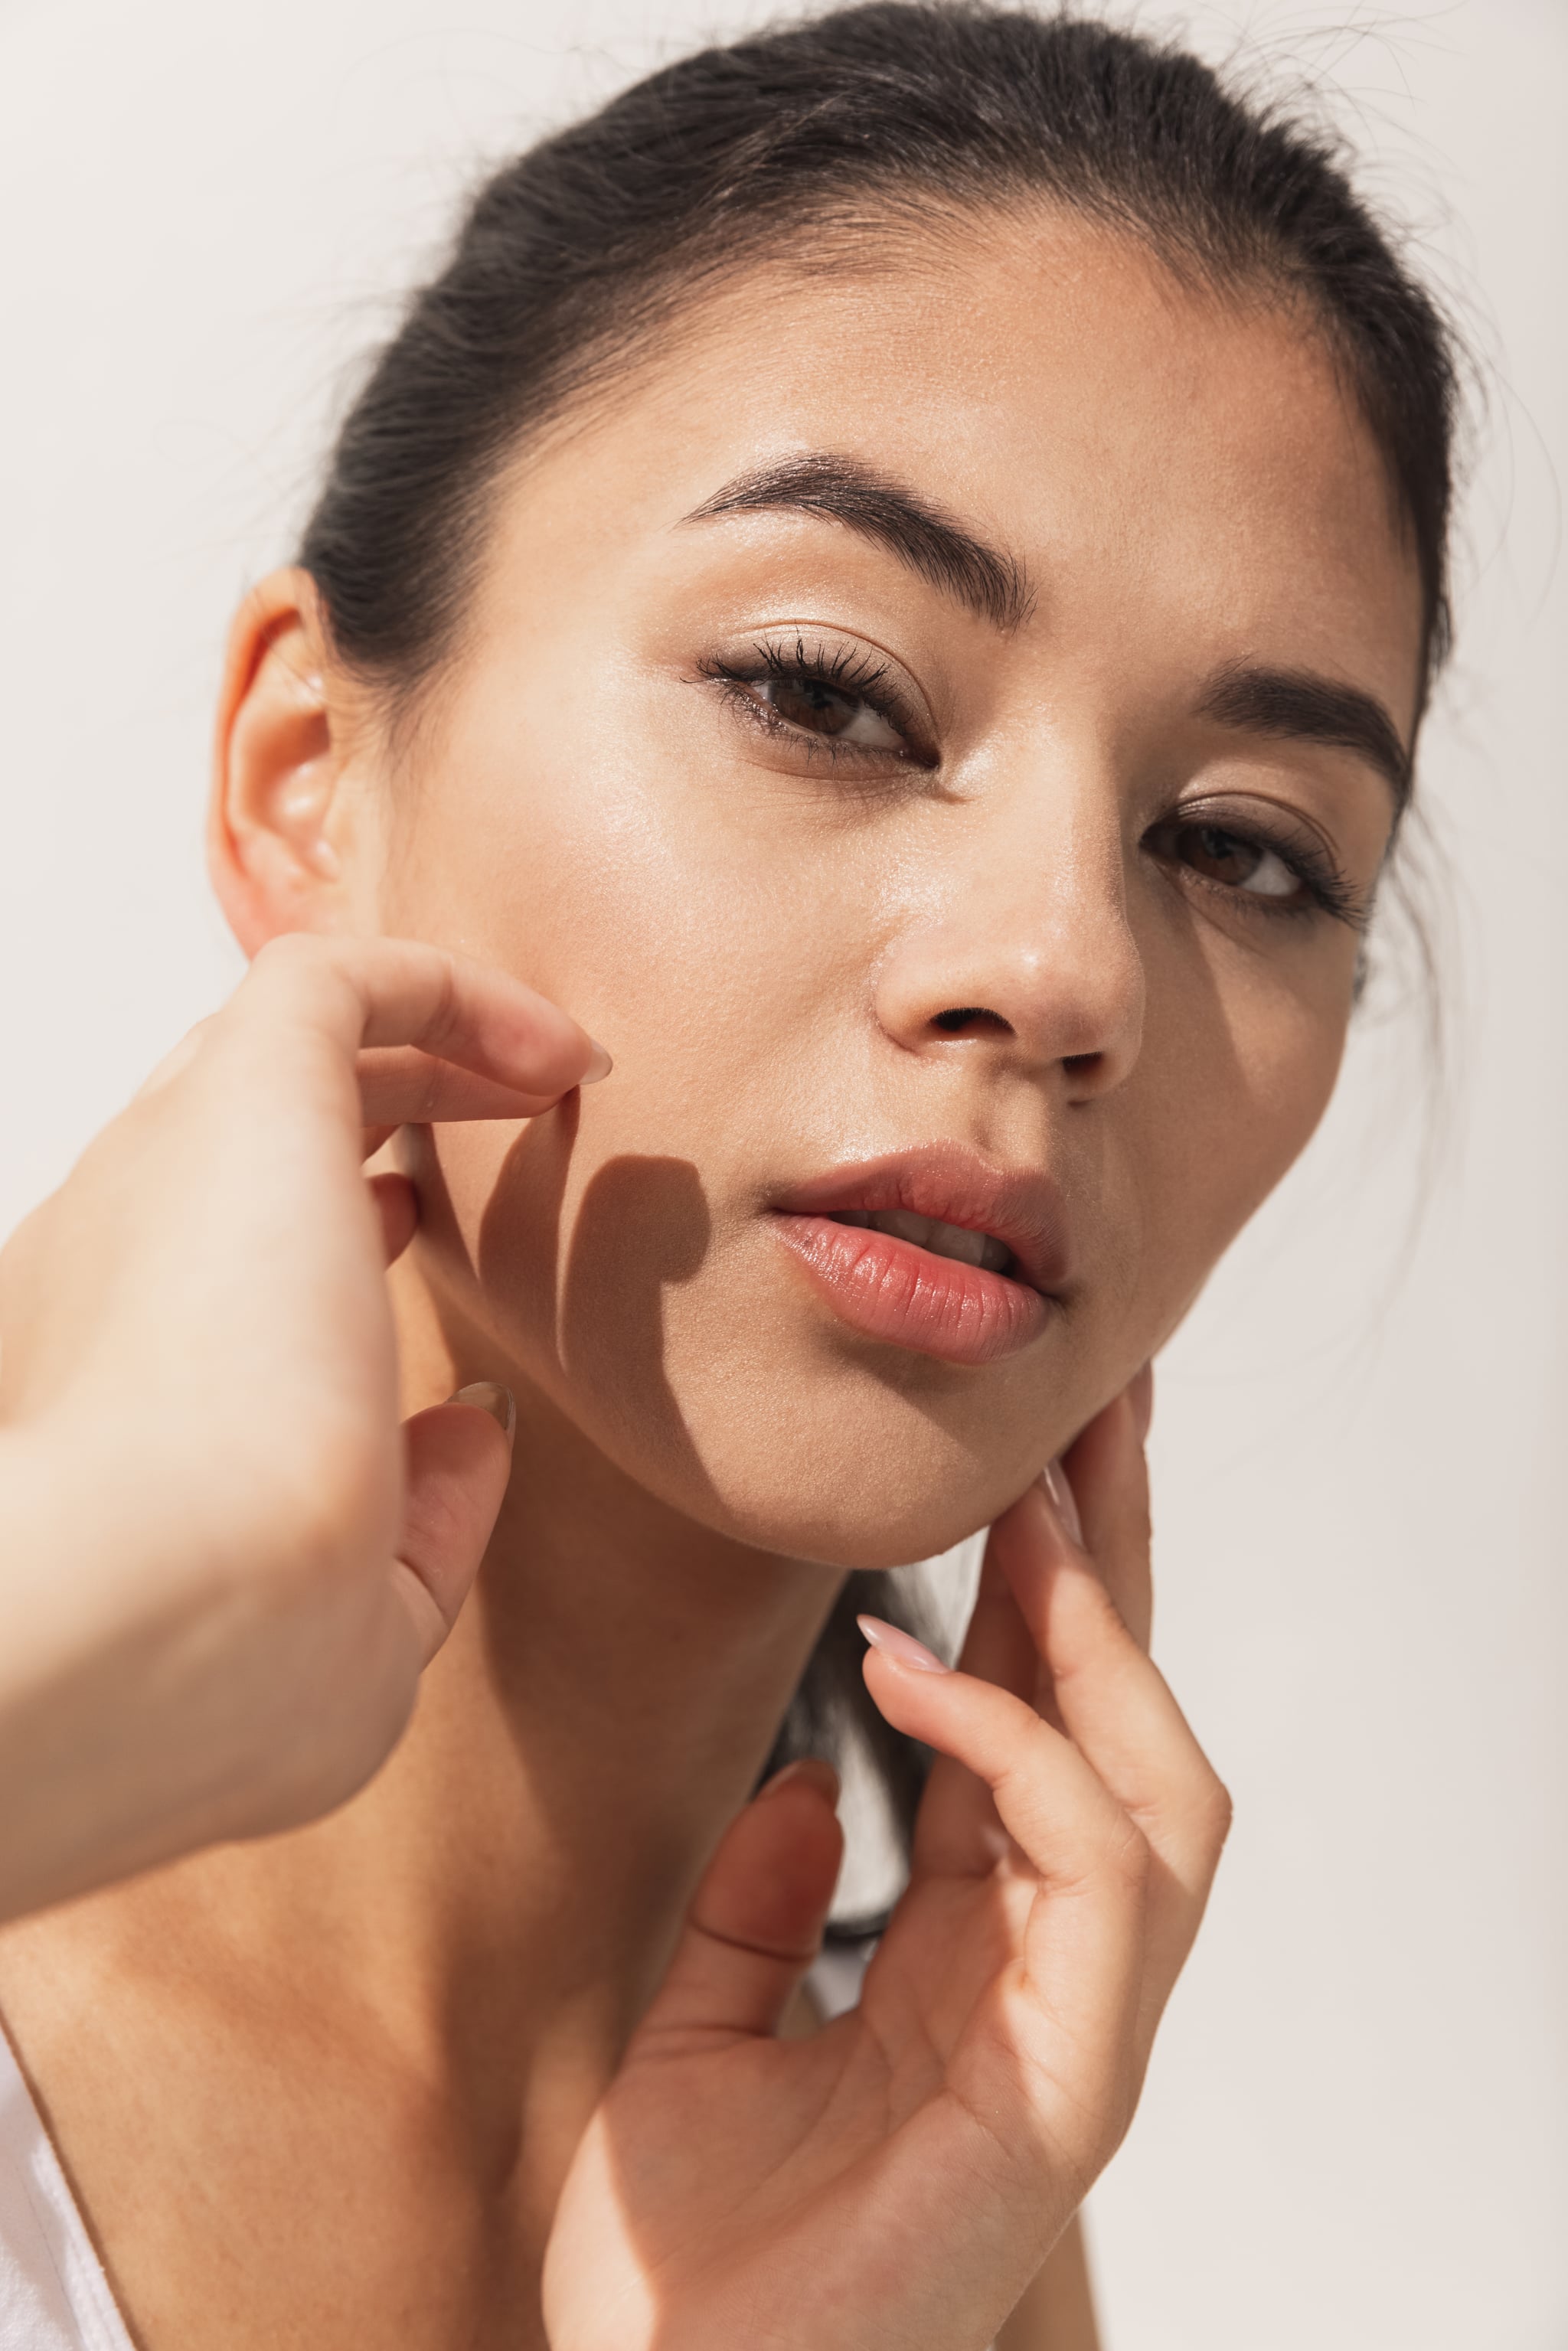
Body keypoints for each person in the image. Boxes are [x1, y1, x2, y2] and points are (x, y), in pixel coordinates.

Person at [0, 5, 1459, 2346]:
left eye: (1246, 851)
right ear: (303, 774)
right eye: (824, 690)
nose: (1067, 964)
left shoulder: (932, 2215)